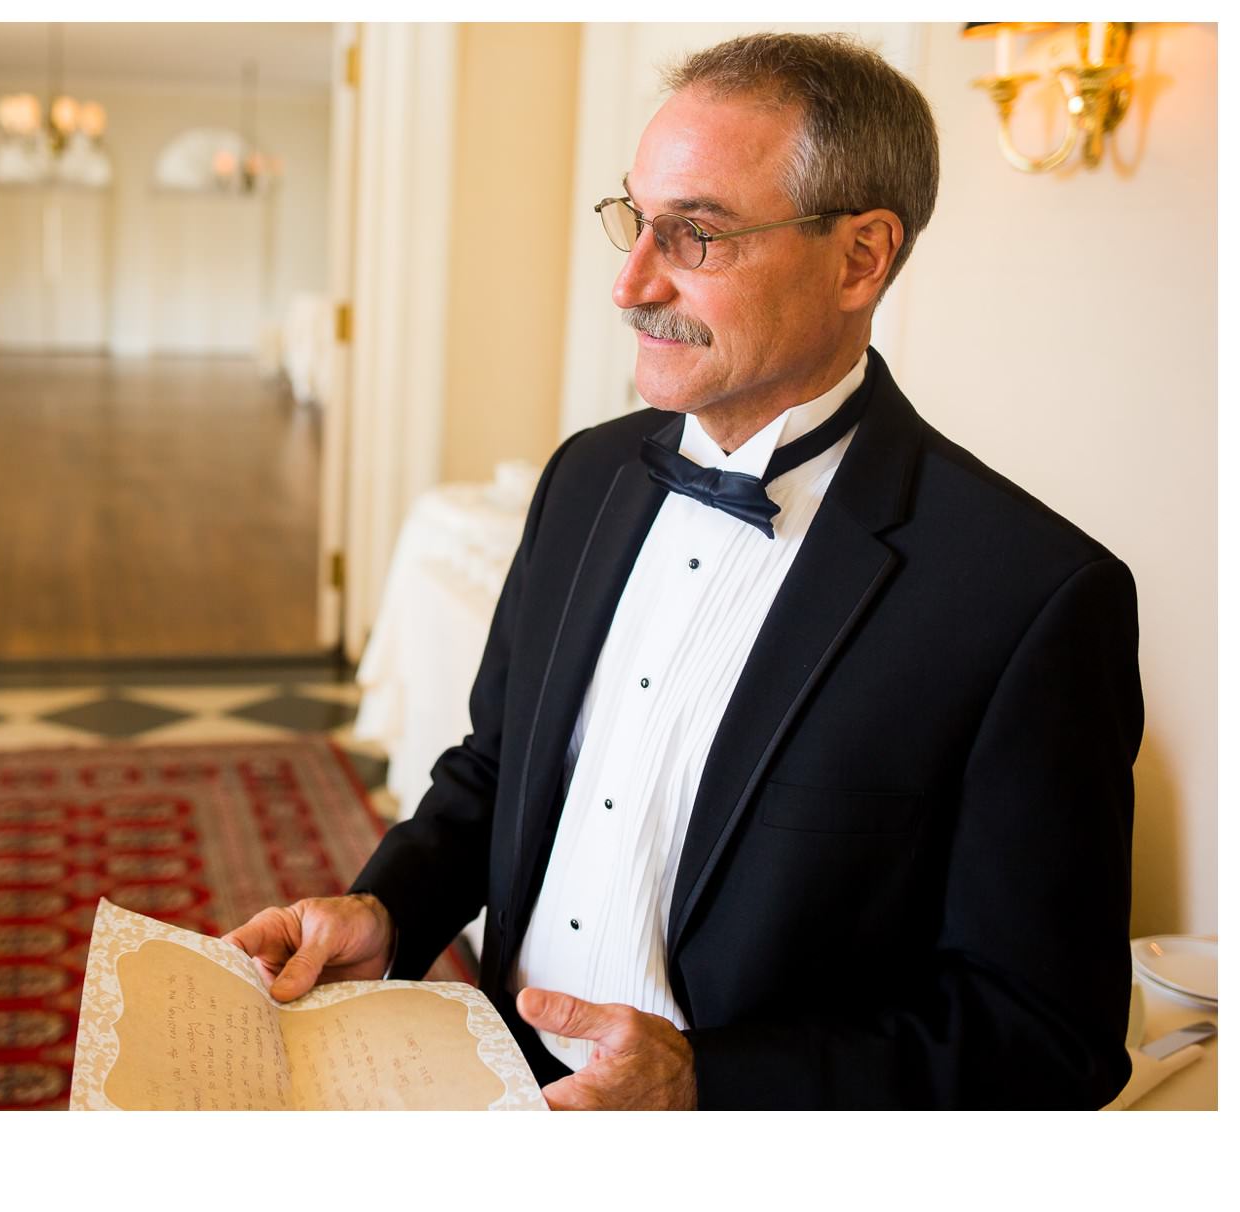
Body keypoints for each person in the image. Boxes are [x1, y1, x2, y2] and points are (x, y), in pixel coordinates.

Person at [226, 32, 1141, 1110]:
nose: (628, 282)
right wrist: (387, 910)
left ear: (860, 257)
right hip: (492, 1083)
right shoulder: (588, 475)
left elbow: (1044, 1038)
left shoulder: (1027, 596)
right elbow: (494, 768)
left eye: (695, 235)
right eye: (632, 219)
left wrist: (705, 1083)